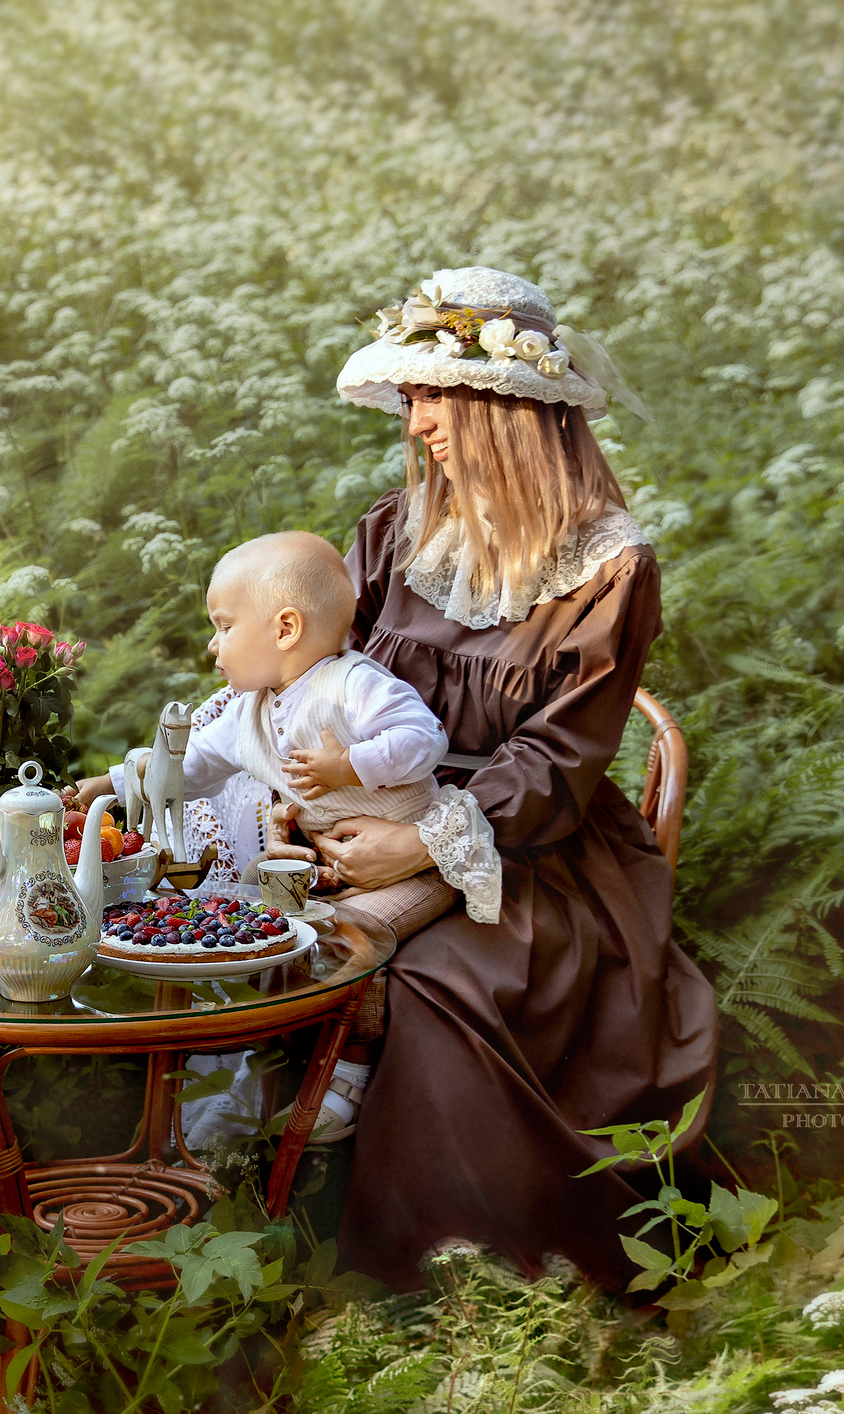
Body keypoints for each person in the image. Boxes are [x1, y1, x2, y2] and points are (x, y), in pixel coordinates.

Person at [291, 264, 718, 1290]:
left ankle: (454, 1295)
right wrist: (303, 797)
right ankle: (249, 1220)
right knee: (242, 927)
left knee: (445, 988)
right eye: (411, 395)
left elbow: (559, 761)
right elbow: (326, 689)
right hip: (371, 802)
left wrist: (425, 843)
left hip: (532, 844)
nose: (415, 420)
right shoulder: (393, 534)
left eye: (436, 393)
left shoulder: (608, 565)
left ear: (507, 406)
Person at [66, 529, 460, 1133]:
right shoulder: (246, 709)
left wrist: (349, 766)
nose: (212, 643)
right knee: (269, 924)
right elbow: (190, 766)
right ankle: (257, 1067)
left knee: (361, 933)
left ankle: (349, 1072)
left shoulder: (352, 685)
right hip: (331, 865)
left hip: (414, 858)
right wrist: (115, 784)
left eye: (224, 626)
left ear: (285, 629)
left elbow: (424, 739)